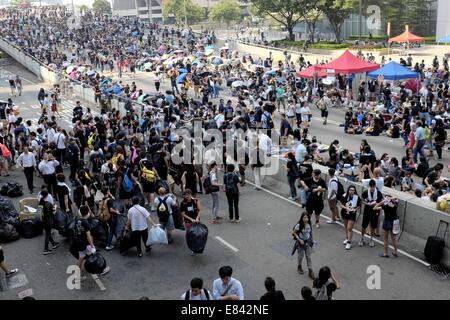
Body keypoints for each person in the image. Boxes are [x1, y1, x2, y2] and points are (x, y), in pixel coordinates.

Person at [71, 205, 110, 283]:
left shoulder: (77, 220)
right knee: (96, 256)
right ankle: (101, 270)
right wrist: (92, 246)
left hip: (79, 243)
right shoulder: (85, 223)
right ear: (87, 212)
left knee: (80, 259)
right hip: (85, 244)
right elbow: (88, 236)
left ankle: (77, 277)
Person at [292, 212, 315, 279]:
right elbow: (294, 232)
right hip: (300, 243)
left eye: (307, 217)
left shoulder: (309, 224)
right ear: (302, 218)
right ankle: (299, 266)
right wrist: (299, 240)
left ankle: (310, 271)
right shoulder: (299, 225)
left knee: (308, 256)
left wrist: (312, 240)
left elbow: (310, 233)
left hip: (307, 242)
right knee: (301, 256)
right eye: (304, 217)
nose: (306, 219)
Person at [360, 179, 383, 247]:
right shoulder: (366, 192)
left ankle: (372, 239)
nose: (372, 188)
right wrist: (367, 203)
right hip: (367, 210)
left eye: (373, 186)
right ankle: (362, 238)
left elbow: (381, 203)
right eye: (371, 187)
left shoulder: (378, 193)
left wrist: (376, 204)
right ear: (369, 186)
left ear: (375, 186)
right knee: (364, 225)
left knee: (373, 226)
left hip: (375, 211)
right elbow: (361, 200)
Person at [339, 185, 361, 250]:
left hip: (352, 214)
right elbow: (340, 203)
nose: (351, 191)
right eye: (350, 190)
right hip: (344, 213)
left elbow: (359, 205)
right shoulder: (344, 195)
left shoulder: (356, 197)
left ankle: (349, 242)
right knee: (346, 227)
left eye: (353, 190)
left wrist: (355, 209)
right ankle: (347, 238)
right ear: (348, 190)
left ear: (355, 191)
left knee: (349, 228)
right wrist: (345, 208)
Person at [40, 189, 61, 255]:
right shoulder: (48, 204)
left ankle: (53, 243)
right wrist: (55, 207)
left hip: (43, 220)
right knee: (48, 234)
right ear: (47, 195)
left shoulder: (41, 201)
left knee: (47, 232)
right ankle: (45, 249)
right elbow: (53, 212)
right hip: (48, 221)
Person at [99, 186, 119, 251]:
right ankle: (108, 245)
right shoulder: (109, 200)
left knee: (110, 230)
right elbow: (111, 210)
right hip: (111, 217)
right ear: (107, 191)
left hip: (104, 216)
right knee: (111, 230)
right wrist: (117, 212)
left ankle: (108, 242)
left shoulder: (103, 199)